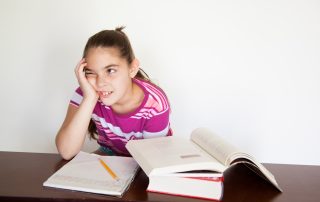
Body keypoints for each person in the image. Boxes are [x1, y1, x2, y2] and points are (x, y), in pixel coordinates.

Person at [56, 27, 172, 160]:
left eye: (110, 70)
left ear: (132, 68)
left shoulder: (155, 104)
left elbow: (153, 160)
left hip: (149, 160)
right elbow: (67, 151)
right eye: (91, 72)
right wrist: (89, 99)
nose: (100, 83)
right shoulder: (87, 93)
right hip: (111, 157)